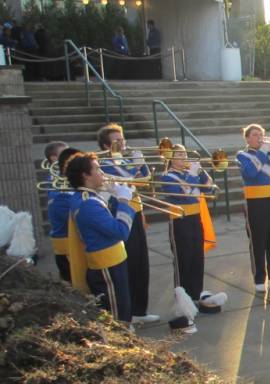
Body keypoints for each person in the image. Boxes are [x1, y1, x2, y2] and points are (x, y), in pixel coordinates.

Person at [97, 124, 158, 324]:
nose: (122, 143)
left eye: (123, 139)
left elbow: (145, 181)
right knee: (128, 265)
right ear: (106, 145)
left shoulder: (126, 159)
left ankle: (140, 310)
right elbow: (124, 178)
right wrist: (136, 164)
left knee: (141, 263)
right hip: (120, 214)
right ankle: (127, 315)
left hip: (136, 210)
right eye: (117, 140)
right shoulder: (102, 163)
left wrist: (141, 164)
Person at [159, 145, 224, 333]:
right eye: (179, 155)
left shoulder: (190, 172)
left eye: (184, 154)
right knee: (183, 260)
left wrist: (201, 172)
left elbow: (209, 188)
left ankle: (195, 295)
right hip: (180, 220)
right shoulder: (167, 176)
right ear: (170, 159)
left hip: (196, 218)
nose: (183, 157)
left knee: (197, 258)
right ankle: (182, 302)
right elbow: (184, 194)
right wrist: (194, 175)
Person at [64, 152, 135, 324]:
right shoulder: (88, 204)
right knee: (118, 317)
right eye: (97, 169)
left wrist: (114, 197)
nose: (102, 173)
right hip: (107, 267)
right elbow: (121, 232)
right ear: (85, 175)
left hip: (112, 262)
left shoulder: (87, 198)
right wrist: (124, 201)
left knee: (122, 309)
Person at [237, 123, 270, 303]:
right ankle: (259, 278)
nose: (259, 137)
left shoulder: (269, 154)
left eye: (261, 134)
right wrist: (262, 153)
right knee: (258, 240)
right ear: (247, 138)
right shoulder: (242, 155)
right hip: (254, 203)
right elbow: (250, 173)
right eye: (255, 134)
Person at [43, 141, 70, 282]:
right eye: (65, 153)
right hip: (66, 243)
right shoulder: (57, 182)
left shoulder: (62, 177)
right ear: (54, 159)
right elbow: (65, 210)